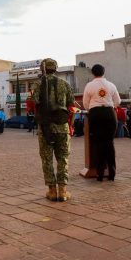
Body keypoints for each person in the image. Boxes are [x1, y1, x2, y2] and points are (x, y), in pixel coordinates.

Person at [32, 58, 75, 201]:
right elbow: (71, 105)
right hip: (62, 127)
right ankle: (62, 191)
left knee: (47, 159)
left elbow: (34, 102)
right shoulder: (65, 84)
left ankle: (52, 191)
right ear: (56, 68)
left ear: (42, 69)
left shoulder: (38, 84)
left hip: (45, 128)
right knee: (63, 158)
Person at [82, 63, 120, 183]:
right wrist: (110, 106)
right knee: (109, 143)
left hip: (95, 114)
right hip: (109, 113)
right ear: (104, 72)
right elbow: (117, 101)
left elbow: (85, 104)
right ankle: (111, 174)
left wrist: (92, 109)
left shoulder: (89, 85)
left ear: (93, 73)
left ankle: (99, 174)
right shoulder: (111, 85)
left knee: (98, 144)